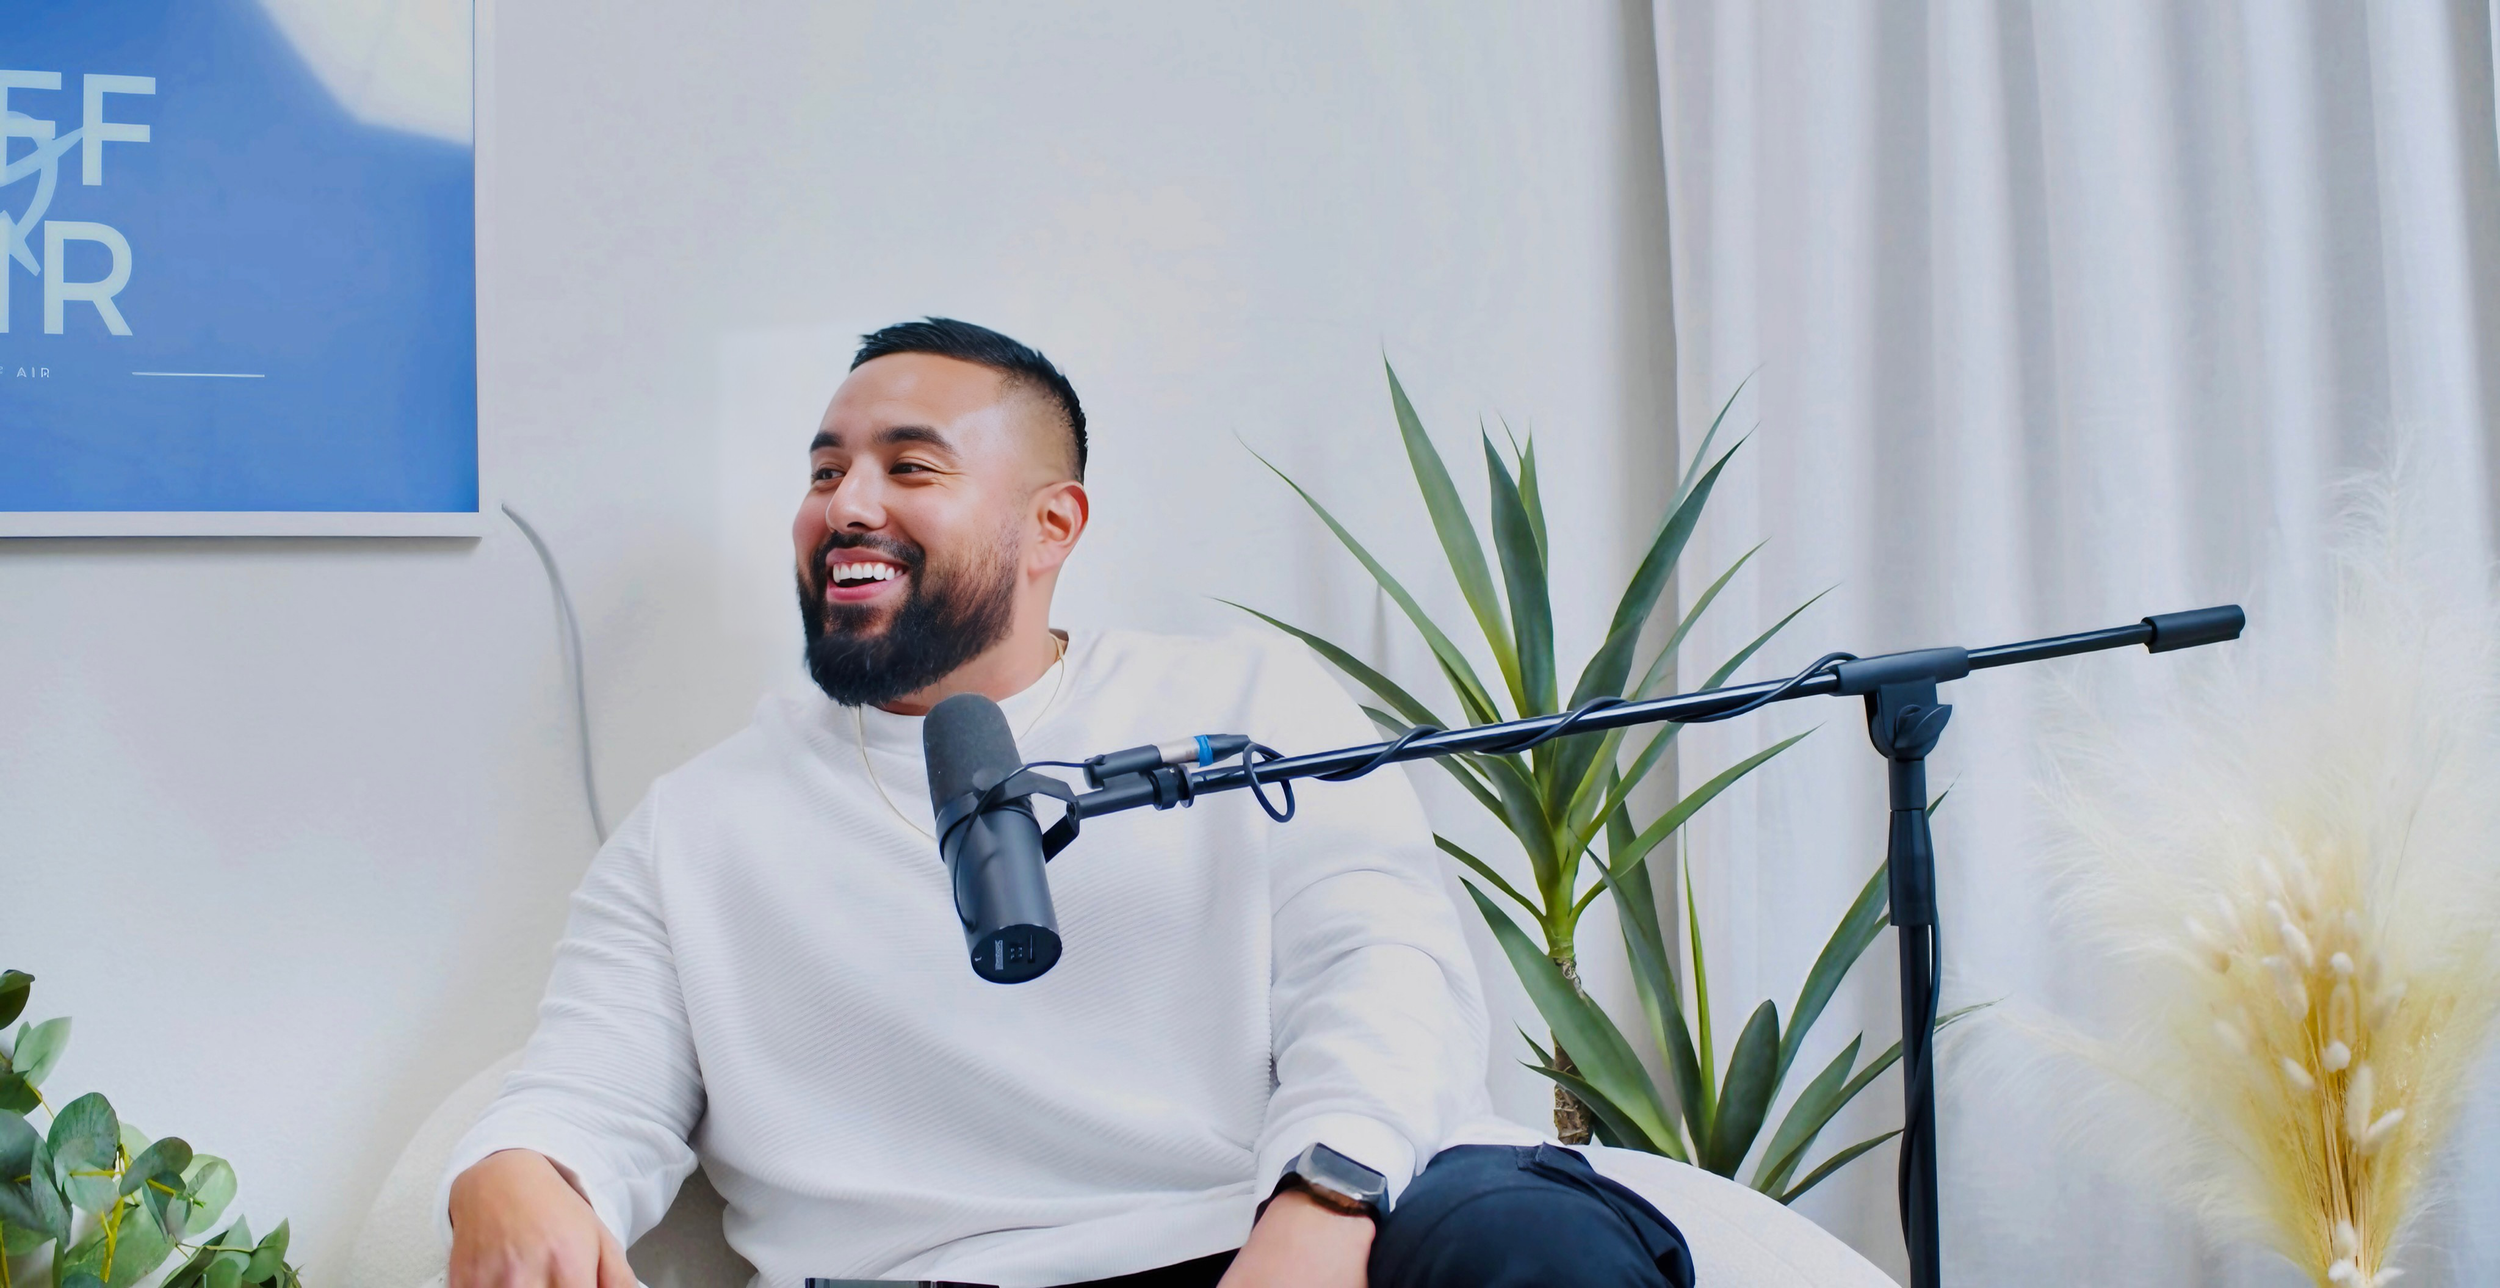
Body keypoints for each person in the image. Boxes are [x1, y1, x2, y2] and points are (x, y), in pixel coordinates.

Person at [442, 319, 1695, 1288]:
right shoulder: (698, 825)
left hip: (1276, 1231)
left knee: (1529, 1237)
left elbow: (1383, 972)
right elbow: (590, 1090)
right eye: (825, 469)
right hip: (932, 1278)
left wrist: (1325, 1201)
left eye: (907, 465)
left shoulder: (1242, 702)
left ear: (1053, 525)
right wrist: (511, 1170)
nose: (847, 503)